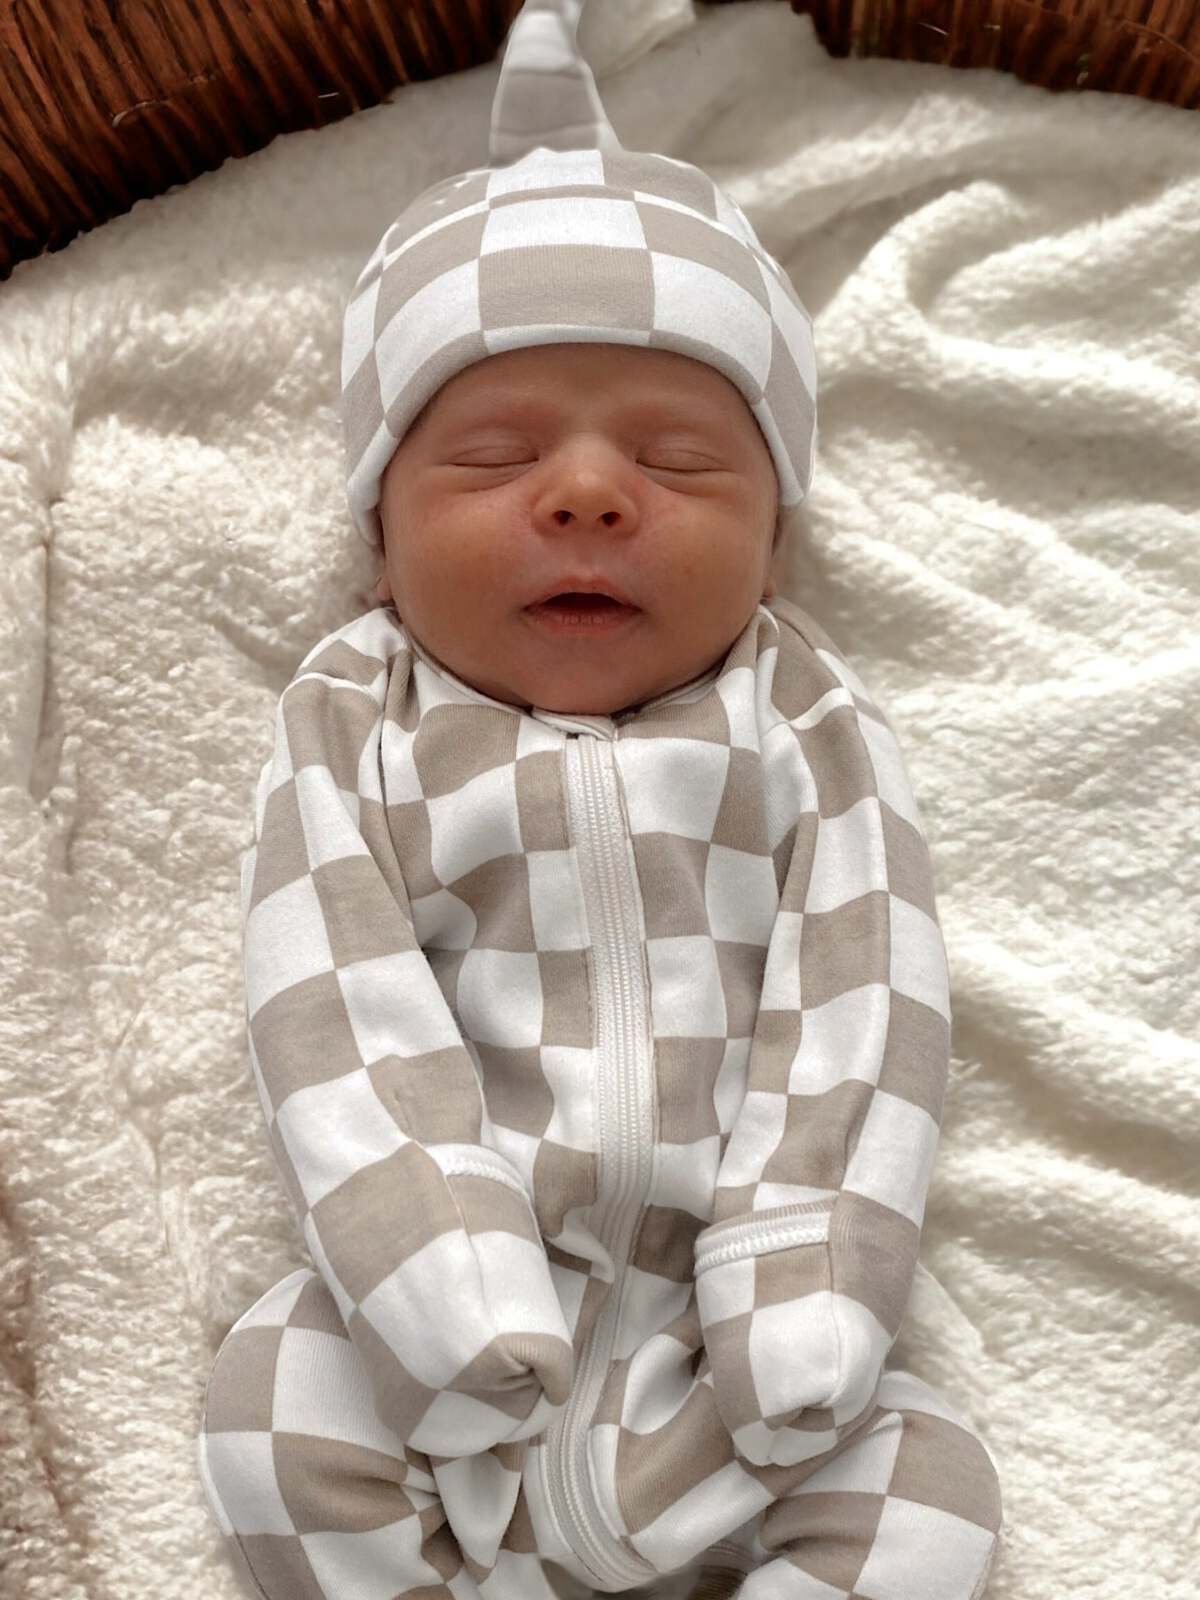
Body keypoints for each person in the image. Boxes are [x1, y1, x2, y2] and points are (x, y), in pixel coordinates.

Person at [196, 3, 1003, 1597]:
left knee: (932, 1484)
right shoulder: (361, 720)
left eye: (681, 461)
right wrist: (436, 1277)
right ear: (379, 536)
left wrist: (801, 1287)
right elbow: (327, 991)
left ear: (774, 539)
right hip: (434, 1332)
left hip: (741, 1353)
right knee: (269, 1404)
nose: (584, 491)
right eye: (494, 454)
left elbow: (868, 993)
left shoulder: (802, 724)